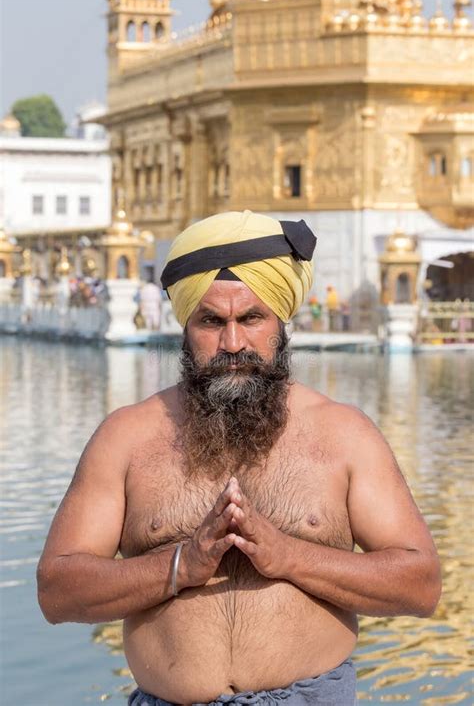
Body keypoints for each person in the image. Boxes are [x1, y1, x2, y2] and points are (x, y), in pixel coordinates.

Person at [37, 210, 441, 706]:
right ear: (186, 325)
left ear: (280, 322)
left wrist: (291, 556)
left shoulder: (344, 435)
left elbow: (420, 585)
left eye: (251, 318)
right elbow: (57, 592)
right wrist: (181, 565)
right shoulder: (127, 438)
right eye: (211, 321)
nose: (233, 343)